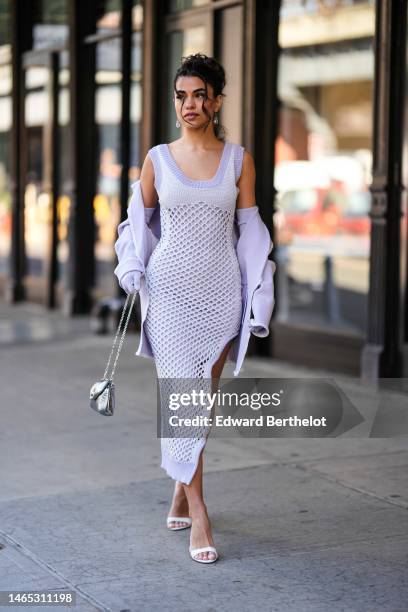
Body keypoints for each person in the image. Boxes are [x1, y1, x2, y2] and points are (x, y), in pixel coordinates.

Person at [115, 53, 274, 564]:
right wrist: (132, 268)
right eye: (182, 95)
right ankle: (200, 510)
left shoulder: (238, 159)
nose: (190, 104)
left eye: (200, 94)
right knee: (184, 400)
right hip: (168, 297)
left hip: (221, 293)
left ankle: (181, 489)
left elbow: (249, 228)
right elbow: (135, 224)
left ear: (217, 100)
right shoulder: (157, 158)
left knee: (198, 403)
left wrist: (258, 294)